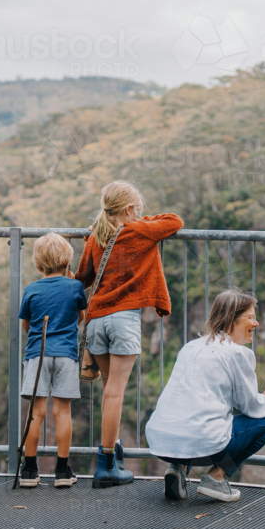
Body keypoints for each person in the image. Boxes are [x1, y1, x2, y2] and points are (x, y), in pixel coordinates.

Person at [75, 181, 183, 488]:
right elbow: (175, 221)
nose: (141, 214)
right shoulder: (139, 231)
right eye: (138, 209)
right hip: (122, 321)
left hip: (96, 321)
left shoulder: (96, 237)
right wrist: (141, 221)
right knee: (116, 392)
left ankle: (114, 456)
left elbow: (83, 275)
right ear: (128, 210)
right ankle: (106, 464)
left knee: (110, 388)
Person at [146, 289, 265, 503]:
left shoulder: (190, 347)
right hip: (202, 442)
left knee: (195, 415)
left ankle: (177, 469)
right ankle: (216, 478)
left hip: (161, 441)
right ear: (232, 319)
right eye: (251, 317)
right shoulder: (236, 353)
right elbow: (251, 408)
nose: (256, 324)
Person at [17, 233, 87, 489]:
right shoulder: (75, 286)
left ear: (38, 263)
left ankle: (29, 470)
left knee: (36, 412)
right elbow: (80, 317)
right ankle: (61, 471)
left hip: (37, 354)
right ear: (67, 260)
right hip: (66, 355)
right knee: (62, 411)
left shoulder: (31, 289)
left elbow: (27, 324)